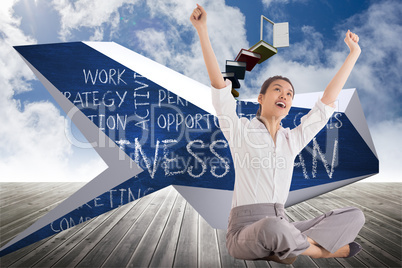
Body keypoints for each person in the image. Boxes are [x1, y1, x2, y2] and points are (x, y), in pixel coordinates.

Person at [190, 4, 365, 265]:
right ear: (261, 98)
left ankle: (286, 248)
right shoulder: (240, 131)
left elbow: (326, 103)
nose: (284, 95)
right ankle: (321, 251)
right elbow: (220, 88)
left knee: (355, 215)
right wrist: (202, 30)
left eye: (289, 94)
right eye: (277, 90)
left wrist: (353, 54)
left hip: (282, 224)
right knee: (272, 228)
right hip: (245, 231)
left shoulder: (291, 140)